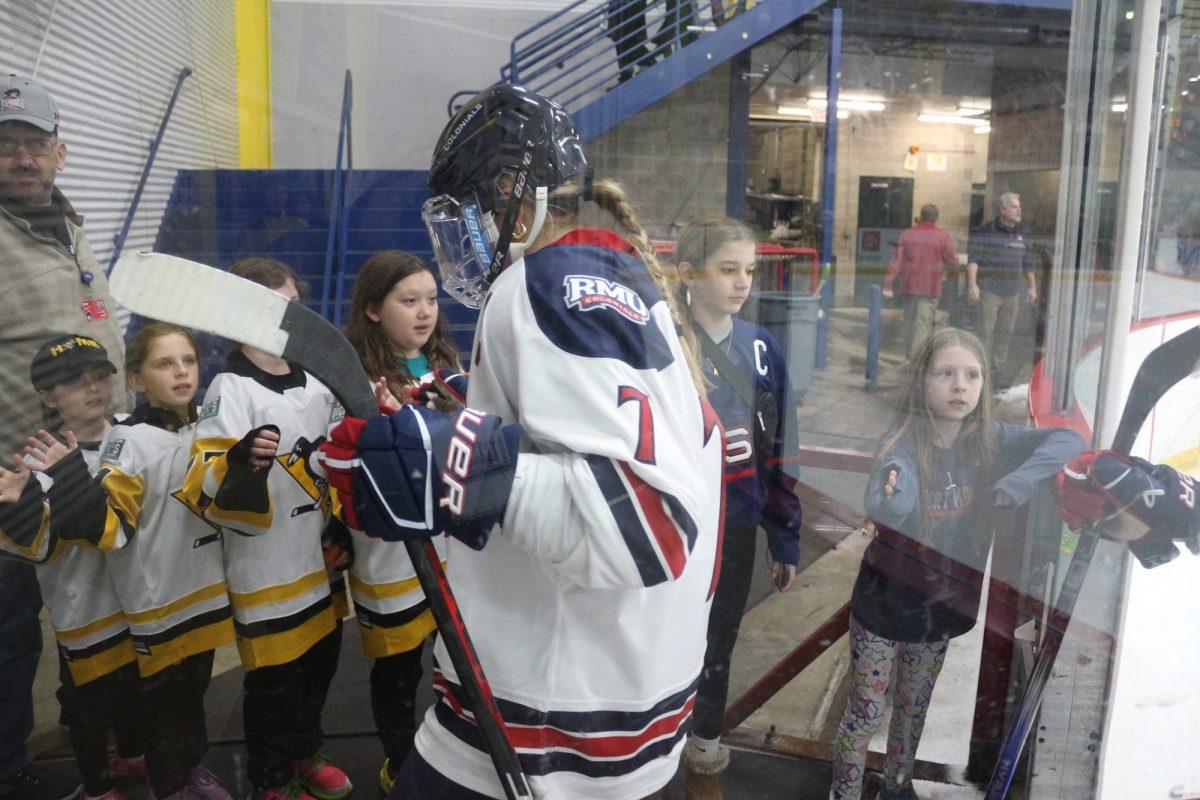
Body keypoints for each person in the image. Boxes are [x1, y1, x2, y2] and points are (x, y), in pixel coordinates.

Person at [320, 84, 723, 800]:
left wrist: (449, 464)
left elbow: (646, 528)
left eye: (466, 212)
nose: (457, 239)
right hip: (604, 712)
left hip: (545, 731)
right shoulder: (612, 280)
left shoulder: (549, 280)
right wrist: (441, 430)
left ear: (512, 192)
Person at [829, 328, 1083, 800]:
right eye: (945, 374)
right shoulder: (902, 444)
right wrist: (892, 493)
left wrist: (1016, 485)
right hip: (883, 609)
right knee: (864, 714)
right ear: (922, 382)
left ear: (985, 385)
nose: (959, 386)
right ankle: (842, 793)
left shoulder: (992, 441)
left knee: (913, 708)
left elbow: (1066, 441)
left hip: (941, 609)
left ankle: (897, 786)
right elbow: (888, 500)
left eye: (971, 375)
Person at [40, 324, 238, 800]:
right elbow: (108, 531)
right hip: (151, 604)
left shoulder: (210, 425)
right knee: (154, 710)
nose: (182, 372)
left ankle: (187, 771)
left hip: (202, 591)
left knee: (190, 698)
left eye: (188, 360)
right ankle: (165, 786)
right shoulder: (126, 442)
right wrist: (65, 474)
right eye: (165, 363)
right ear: (137, 379)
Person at [181, 258, 352, 800]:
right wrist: (241, 463)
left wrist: (344, 529)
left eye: (293, 305)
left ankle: (307, 751)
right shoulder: (228, 387)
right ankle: (270, 778)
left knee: (320, 666)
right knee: (273, 682)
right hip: (265, 567)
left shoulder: (320, 380)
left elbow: (340, 461)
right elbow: (203, 478)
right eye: (270, 305)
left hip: (320, 560)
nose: (286, 317)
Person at [0, 74, 126, 800]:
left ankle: (104, 752)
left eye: (34, 145)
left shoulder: (69, 227)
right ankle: (4, 767)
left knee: (87, 618)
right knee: (10, 634)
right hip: (20, 479)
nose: (22, 158)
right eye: (8, 146)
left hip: (89, 469)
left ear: (61, 153)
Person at [671, 215, 802, 800]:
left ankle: (704, 747)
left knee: (720, 641)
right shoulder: (663, 346)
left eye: (749, 269)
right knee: (664, 636)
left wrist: (786, 535)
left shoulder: (762, 347)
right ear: (688, 274)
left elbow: (779, 448)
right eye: (728, 269)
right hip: (673, 526)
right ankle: (648, 750)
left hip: (740, 523)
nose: (743, 281)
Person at [0, 335, 146, 800]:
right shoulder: (34, 467)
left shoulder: (137, 430)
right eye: (74, 381)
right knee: (87, 713)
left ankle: (131, 758)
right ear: (46, 395)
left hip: (143, 606)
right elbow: (39, 548)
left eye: (99, 375)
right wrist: (15, 507)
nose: (93, 387)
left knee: (137, 698)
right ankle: (97, 786)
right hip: (85, 618)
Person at [343, 251, 461, 794]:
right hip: (391, 557)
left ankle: (452, 757)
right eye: (408, 301)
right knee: (398, 673)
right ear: (372, 309)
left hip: (453, 552)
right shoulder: (353, 380)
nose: (425, 312)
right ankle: (397, 762)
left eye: (432, 299)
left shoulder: (449, 363)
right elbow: (347, 471)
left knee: (453, 665)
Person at [966, 192, 1039, 390]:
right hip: (990, 290)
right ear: (1003, 209)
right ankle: (979, 371)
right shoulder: (986, 232)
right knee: (985, 332)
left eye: (1019, 206)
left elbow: (1028, 262)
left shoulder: (1022, 233)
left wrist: (1032, 286)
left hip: (1012, 292)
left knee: (1005, 333)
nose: (1019, 210)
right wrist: (973, 284)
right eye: (1015, 207)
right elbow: (974, 260)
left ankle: (996, 373)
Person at [883, 204, 959, 359]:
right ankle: (916, 361)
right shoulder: (943, 236)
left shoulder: (907, 234)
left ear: (921, 215)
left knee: (909, 323)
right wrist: (948, 274)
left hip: (909, 286)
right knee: (923, 326)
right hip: (930, 288)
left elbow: (896, 262)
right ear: (936, 218)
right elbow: (953, 262)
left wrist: (888, 284)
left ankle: (908, 356)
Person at [606, 0, 654, 83]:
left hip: (630, 5)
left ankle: (653, 66)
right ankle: (625, 79)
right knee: (620, 42)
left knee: (631, 42)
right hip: (618, 5)